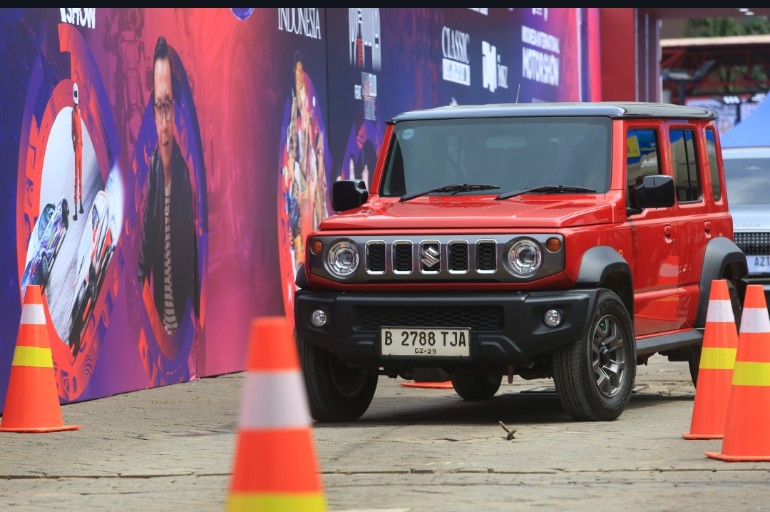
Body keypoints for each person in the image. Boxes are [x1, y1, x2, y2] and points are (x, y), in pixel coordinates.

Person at [137, 36, 198, 336]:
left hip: (182, 328)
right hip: (158, 324)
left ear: (177, 111)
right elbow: (147, 240)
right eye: (159, 107)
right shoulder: (151, 169)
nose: (164, 121)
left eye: (169, 107)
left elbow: (192, 257)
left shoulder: (185, 176)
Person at [72, 82, 84, 221]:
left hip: (80, 146)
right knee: (76, 178)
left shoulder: (79, 112)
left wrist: (81, 143)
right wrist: (74, 144)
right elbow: (73, 131)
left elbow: (79, 129)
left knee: (80, 177)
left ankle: (80, 203)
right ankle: (76, 206)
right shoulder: (73, 112)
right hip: (77, 147)